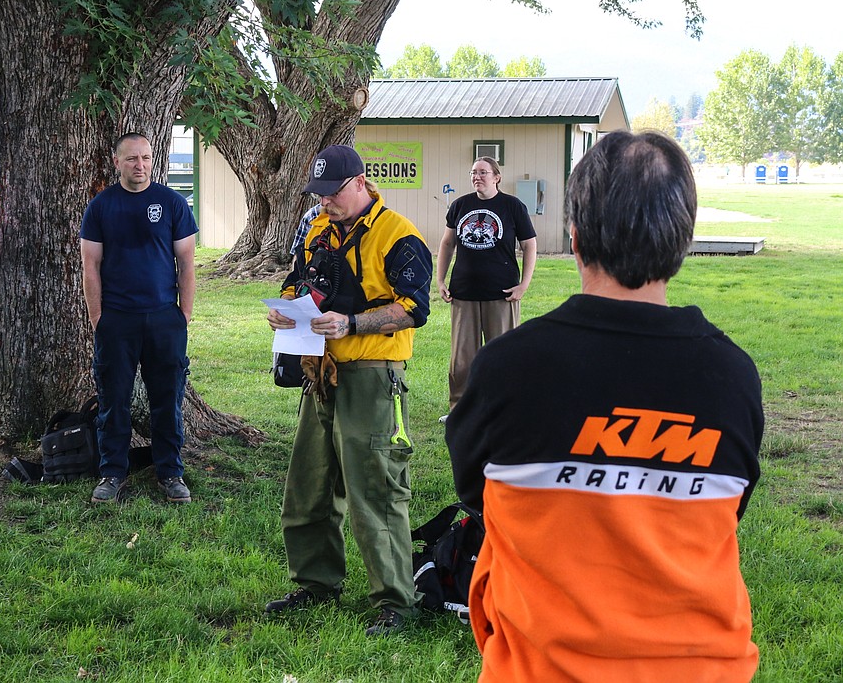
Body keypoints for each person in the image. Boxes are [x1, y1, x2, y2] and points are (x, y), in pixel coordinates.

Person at [448, 131, 763, 682]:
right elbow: (728, 507)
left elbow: (477, 493)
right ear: (684, 240)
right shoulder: (732, 377)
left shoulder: (505, 369)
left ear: (574, 236)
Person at [265, 145, 432, 637]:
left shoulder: (398, 235)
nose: (324, 203)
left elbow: (414, 308)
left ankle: (395, 602)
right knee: (308, 488)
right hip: (320, 373)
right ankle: (315, 584)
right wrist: (287, 307)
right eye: (318, 195)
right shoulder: (318, 229)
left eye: (332, 193)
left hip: (372, 376)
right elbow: (301, 280)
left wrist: (353, 323)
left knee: (374, 491)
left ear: (360, 183)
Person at [80, 133, 198, 504]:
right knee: (114, 400)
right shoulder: (101, 207)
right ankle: (112, 473)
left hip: (165, 319)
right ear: (117, 162)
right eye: (132, 159)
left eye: (145, 157)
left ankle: (170, 473)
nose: (140, 165)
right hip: (117, 320)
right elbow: (90, 266)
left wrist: (184, 315)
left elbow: (187, 263)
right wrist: (98, 316)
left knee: (167, 398)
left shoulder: (172, 203)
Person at [435, 156, 535, 417]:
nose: (477, 176)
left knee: (502, 355)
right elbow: (447, 244)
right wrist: (441, 279)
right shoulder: (460, 206)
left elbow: (529, 245)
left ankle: (505, 409)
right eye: (473, 173)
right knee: (462, 360)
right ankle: (461, 410)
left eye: (482, 172)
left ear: (496, 177)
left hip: (502, 294)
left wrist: (524, 284)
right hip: (463, 293)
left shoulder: (513, 206)